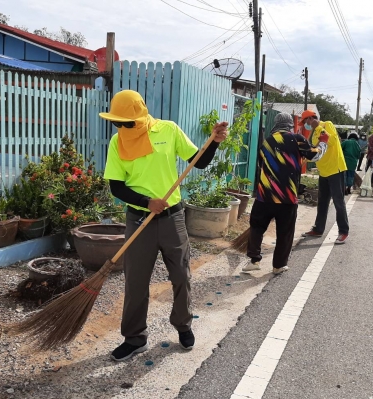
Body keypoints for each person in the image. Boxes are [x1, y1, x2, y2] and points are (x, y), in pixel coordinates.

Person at [100, 90, 229, 361]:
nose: (123, 127)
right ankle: (134, 338)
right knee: (136, 282)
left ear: (140, 116)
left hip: (173, 219)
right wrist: (146, 202)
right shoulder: (117, 142)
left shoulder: (168, 130)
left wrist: (214, 143)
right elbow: (116, 186)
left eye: (127, 122)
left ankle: (183, 325)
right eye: (118, 123)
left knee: (181, 275)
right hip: (139, 220)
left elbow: (199, 162)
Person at [242, 113, 321, 274]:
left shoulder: (267, 142)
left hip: (265, 196)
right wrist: (323, 143)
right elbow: (314, 155)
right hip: (287, 197)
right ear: (290, 125)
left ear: (276, 124)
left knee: (257, 228)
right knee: (285, 233)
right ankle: (278, 266)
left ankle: (254, 260)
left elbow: (261, 165)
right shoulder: (297, 139)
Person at [300, 111, 350, 244]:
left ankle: (343, 231)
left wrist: (319, 127)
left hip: (335, 169)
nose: (305, 125)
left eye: (305, 122)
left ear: (311, 119)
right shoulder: (312, 133)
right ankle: (318, 229)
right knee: (322, 202)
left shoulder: (327, 125)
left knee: (338, 202)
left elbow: (332, 141)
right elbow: (314, 151)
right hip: (323, 172)